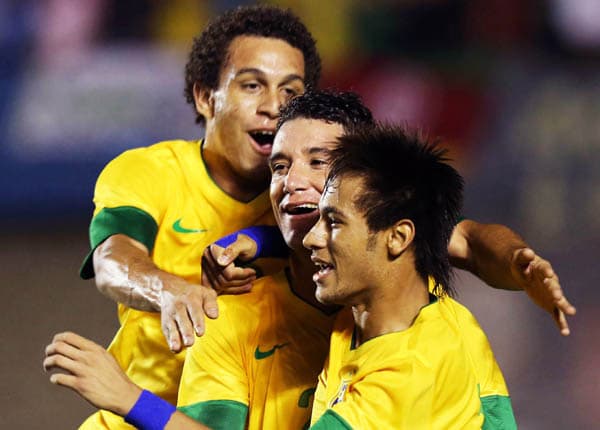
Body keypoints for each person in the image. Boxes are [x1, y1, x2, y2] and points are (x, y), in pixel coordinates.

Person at [45, 90, 570, 428]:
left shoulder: (416, 341)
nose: (293, 181)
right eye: (279, 165)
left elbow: (471, 239)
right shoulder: (265, 316)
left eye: (320, 163)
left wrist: (523, 264)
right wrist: (263, 241)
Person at [77, 5, 320, 428]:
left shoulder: (313, 194)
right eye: (251, 85)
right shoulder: (149, 172)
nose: (274, 107)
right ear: (205, 96)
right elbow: (111, 261)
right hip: (136, 416)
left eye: (291, 93)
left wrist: (264, 244)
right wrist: (170, 290)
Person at [304, 123, 516, 428]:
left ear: (398, 237)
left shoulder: (412, 373)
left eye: (333, 223)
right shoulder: (415, 302)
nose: (311, 238)